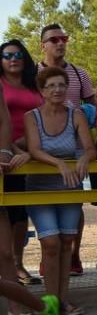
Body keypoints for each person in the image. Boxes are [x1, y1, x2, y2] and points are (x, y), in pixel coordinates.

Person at [24, 67, 97, 315]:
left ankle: (63, 299)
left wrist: (85, 158)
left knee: (67, 242)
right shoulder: (31, 116)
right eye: (51, 86)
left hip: (69, 186)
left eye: (61, 85)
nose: (57, 90)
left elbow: (89, 147)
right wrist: (60, 163)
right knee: (51, 242)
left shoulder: (75, 114)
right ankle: (50, 301)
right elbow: (34, 149)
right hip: (39, 187)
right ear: (42, 91)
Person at [1, 39, 42, 286]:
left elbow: (40, 118)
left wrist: (28, 147)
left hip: (29, 152)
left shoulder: (34, 85)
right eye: (7, 55)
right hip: (6, 152)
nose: (13, 59)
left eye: (18, 54)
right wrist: (11, 147)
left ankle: (17, 263)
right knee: (4, 211)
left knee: (20, 213)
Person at [38, 24, 95, 107]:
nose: (61, 43)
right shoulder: (32, 73)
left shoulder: (80, 74)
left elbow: (92, 108)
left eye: (64, 39)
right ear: (43, 46)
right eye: (54, 40)